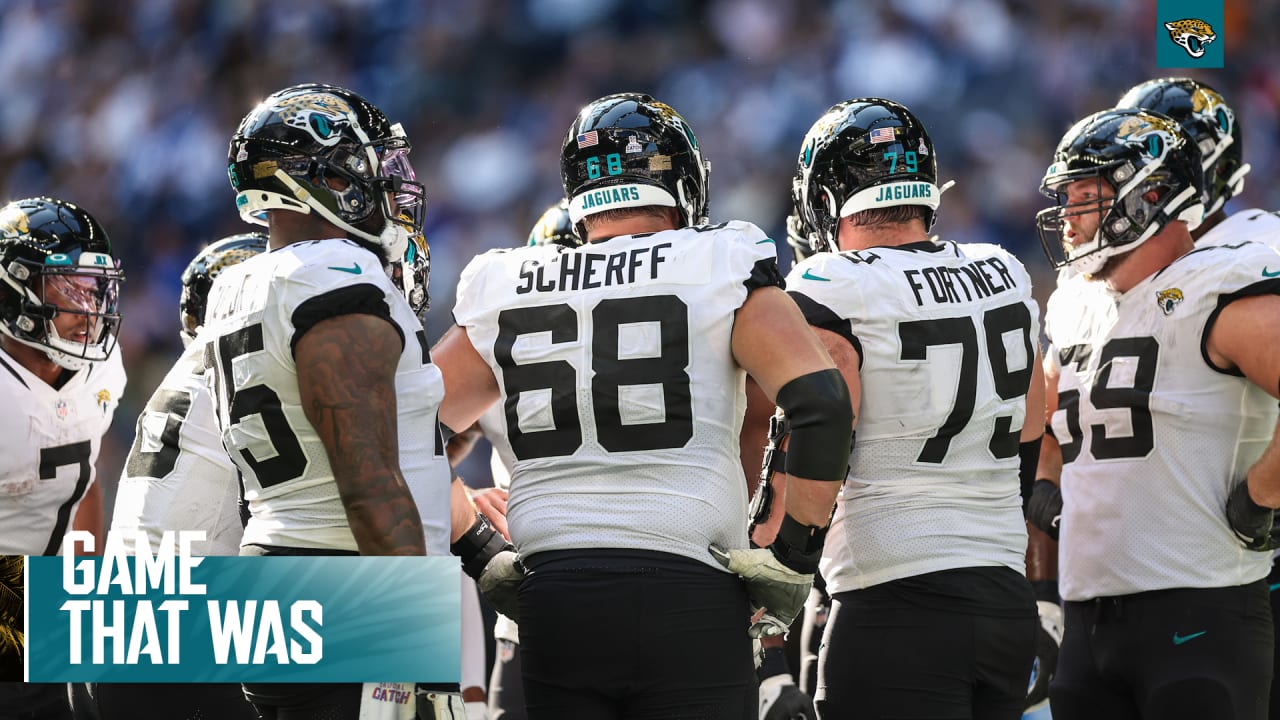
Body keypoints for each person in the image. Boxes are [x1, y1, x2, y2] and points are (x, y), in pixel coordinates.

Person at [430, 91, 853, 720]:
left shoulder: (509, 281)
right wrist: (793, 557)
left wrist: (479, 550)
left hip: (556, 598)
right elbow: (821, 402)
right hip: (690, 590)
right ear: (680, 180)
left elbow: (404, 428)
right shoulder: (720, 261)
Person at [777, 97, 1044, 719]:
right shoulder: (1001, 270)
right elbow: (1033, 422)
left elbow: (823, 432)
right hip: (1004, 596)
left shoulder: (830, 283)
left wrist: (790, 555)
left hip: (894, 600)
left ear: (827, 198)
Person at [208, 82, 456, 720]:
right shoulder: (333, 277)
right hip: (347, 582)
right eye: (370, 166)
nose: (392, 185)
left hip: (277, 566)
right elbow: (368, 482)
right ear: (321, 177)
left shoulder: (234, 284)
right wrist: (415, 635)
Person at [1027, 107, 1280, 719]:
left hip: (1200, 614)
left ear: (1153, 196)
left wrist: (1263, 492)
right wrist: (1046, 486)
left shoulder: (1218, 284)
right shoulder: (1072, 304)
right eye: (1067, 196)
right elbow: (1052, 425)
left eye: (1087, 195)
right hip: (1089, 623)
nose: (1069, 214)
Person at [0, 197, 125, 720]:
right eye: (70, 287)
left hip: (44, 610)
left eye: (95, 288)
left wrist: (85, 592)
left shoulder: (101, 368)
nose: (89, 307)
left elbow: (86, 481)